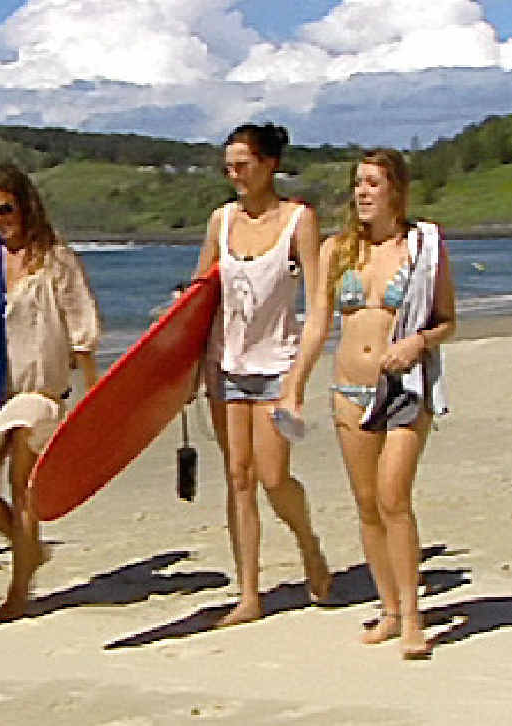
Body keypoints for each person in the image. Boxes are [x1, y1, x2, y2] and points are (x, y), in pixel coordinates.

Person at [280, 148, 455, 659]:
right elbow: (316, 324)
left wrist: (417, 343)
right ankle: (391, 609)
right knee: (366, 504)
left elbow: (447, 318)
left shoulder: (424, 248)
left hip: (403, 389)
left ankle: (414, 618)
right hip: (348, 390)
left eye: (373, 184)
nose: (362, 192)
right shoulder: (337, 250)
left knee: (393, 497)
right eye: (358, 183)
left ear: (396, 190)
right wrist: (295, 385)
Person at [192, 123, 331, 626]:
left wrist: (299, 376)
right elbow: (198, 295)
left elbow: (318, 304)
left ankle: (309, 546)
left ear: (269, 164)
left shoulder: (300, 221)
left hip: (277, 366)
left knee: (273, 478)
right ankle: (248, 594)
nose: (234, 176)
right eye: (228, 167)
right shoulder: (221, 220)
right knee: (238, 478)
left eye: (243, 165)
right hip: (225, 365)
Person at [0, 162, 100, 621]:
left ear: (26, 205)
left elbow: (83, 331)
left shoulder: (55, 260)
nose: (0, 220)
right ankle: (30, 550)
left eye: (7, 209)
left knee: (22, 487)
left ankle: (18, 593)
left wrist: (96, 400)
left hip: (39, 390)